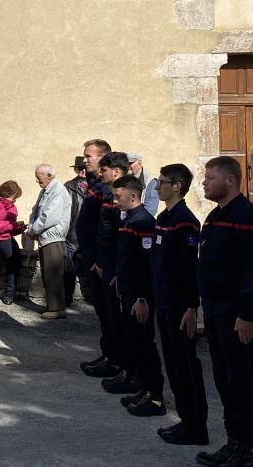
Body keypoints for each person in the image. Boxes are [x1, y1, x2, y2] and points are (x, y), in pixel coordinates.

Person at [195, 156, 253, 467]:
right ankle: (232, 441)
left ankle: (244, 448)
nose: (204, 183)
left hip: (237, 312)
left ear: (229, 180)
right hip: (215, 308)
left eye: (210, 178)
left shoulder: (248, 217)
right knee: (224, 378)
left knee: (240, 378)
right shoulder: (215, 217)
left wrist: (248, 314)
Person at [151, 164, 209, 446]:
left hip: (179, 305)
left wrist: (190, 307)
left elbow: (188, 268)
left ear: (177, 186)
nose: (157, 186)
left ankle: (196, 426)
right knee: (173, 365)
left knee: (185, 367)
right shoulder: (164, 217)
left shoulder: (185, 221)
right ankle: (185, 421)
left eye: (161, 182)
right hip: (164, 301)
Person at [111, 174, 165, 417]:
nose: (115, 200)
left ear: (132, 196)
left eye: (118, 196)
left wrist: (142, 298)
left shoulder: (143, 221)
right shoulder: (129, 219)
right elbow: (127, 258)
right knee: (135, 343)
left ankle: (155, 397)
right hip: (129, 290)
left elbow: (145, 264)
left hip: (138, 296)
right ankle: (144, 389)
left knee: (144, 344)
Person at [76, 139, 122, 378]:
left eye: (88, 156)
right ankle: (108, 354)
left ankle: (116, 360)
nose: (84, 160)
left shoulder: (107, 188)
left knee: (110, 313)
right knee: (102, 313)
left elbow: (105, 228)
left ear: (103, 157)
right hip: (93, 257)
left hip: (100, 260)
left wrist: (98, 259)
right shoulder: (96, 183)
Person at [96, 151, 139, 396]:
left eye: (105, 169)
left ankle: (129, 371)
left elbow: (123, 241)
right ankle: (115, 361)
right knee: (110, 319)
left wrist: (116, 269)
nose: (101, 173)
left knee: (125, 327)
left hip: (118, 271)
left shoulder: (129, 204)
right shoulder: (109, 195)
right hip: (108, 266)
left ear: (117, 171)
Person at [26, 164, 70, 318]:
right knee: (48, 273)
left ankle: (57, 308)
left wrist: (32, 230)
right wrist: (32, 227)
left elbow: (49, 217)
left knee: (53, 273)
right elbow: (36, 210)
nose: (37, 181)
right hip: (46, 237)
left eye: (39, 178)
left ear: (49, 176)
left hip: (53, 238)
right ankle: (52, 305)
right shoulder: (46, 191)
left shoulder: (57, 191)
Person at [63, 156, 89, 307]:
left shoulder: (95, 186)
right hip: (72, 233)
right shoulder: (69, 186)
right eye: (79, 168)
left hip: (89, 234)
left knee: (89, 266)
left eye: (84, 168)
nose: (82, 171)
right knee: (68, 268)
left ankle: (92, 296)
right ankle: (67, 296)